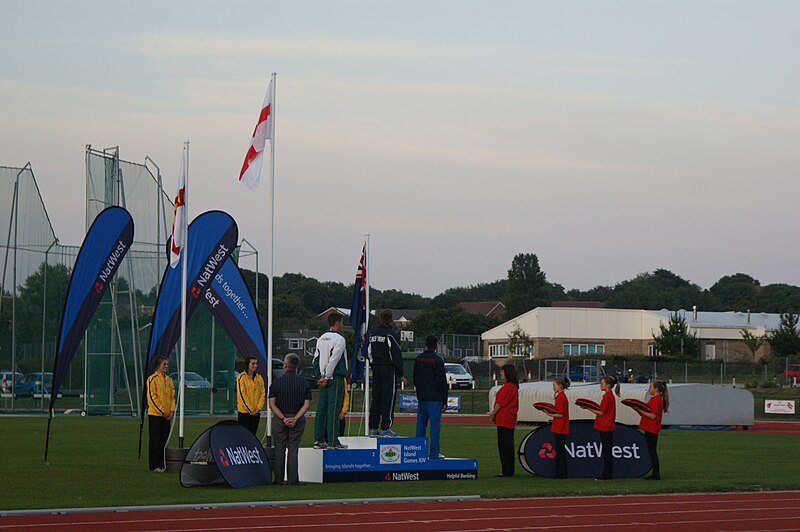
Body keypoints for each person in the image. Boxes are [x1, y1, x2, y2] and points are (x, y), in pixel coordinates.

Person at [268, 353, 312, 485]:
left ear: (285, 366)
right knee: (293, 449)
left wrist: (283, 418)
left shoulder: (276, 383)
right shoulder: (303, 382)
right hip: (297, 419)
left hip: (279, 419)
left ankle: (278, 479)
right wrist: (295, 418)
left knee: (279, 449)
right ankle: (293, 480)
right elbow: (307, 404)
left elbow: (272, 404)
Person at [368, 309, 408, 437]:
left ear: (380, 319)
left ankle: (373, 427)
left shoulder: (372, 335)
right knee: (388, 398)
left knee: (376, 398)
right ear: (391, 319)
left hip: (375, 368)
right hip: (388, 369)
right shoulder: (390, 335)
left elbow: (368, 352)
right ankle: (386, 428)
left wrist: (373, 364)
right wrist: (400, 373)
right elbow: (395, 354)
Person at [313, 312, 348, 449]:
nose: (343, 325)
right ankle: (333, 441)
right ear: (337, 323)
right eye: (342, 322)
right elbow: (334, 359)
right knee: (333, 410)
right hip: (335, 378)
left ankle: (319, 440)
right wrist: (327, 376)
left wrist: (320, 377)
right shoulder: (339, 340)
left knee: (321, 409)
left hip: (323, 380)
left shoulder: (321, 338)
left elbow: (316, 359)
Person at [414, 335, 448, 459]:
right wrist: (444, 399)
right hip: (435, 398)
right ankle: (434, 453)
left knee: (420, 426)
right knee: (435, 427)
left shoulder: (418, 359)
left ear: (426, 344)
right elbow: (442, 381)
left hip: (422, 397)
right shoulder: (438, 360)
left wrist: (419, 392)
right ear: (436, 346)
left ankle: (418, 451)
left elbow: (415, 378)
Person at [586, 375, 621, 480]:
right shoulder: (609, 396)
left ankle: (607, 474)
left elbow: (601, 412)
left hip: (605, 426)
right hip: (607, 425)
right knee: (606, 450)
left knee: (606, 451)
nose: (600, 385)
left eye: (602, 384)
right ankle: (607, 473)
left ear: (608, 385)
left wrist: (588, 408)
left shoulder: (608, 396)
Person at [490, 364, 519, 477]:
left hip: (504, 418)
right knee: (508, 444)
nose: (501, 373)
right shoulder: (513, 387)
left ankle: (506, 470)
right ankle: (508, 469)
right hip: (509, 418)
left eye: (502, 372)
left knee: (504, 445)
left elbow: (500, 403)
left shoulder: (508, 387)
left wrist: (493, 414)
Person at [147, 356, 175, 472]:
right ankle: (154, 465)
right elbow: (152, 398)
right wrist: (162, 411)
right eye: (164, 364)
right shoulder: (152, 379)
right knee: (155, 440)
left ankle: (163, 463)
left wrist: (172, 411)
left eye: (167, 364)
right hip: (155, 415)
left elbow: (172, 397)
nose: (166, 366)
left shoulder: (169, 380)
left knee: (164, 439)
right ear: (158, 365)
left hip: (167, 416)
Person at [637, 379, 669, 480]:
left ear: (656, 389)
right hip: (650, 427)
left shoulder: (656, 400)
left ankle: (656, 474)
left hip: (652, 428)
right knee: (651, 450)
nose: (649, 389)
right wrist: (638, 409)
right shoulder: (654, 399)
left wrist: (639, 410)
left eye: (650, 387)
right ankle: (655, 473)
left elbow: (652, 416)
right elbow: (646, 412)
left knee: (652, 451)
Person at [544, 376, 570, 479]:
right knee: (560, 450)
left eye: (554, 385)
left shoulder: (560, 397)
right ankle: (561, 472)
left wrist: (548, 413)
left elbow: (560, 414)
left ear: (560, 386)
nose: (553, 387)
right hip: (560, 426)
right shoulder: (562, 396)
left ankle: (561, 473)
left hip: (560, 427)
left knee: (560, 451)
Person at [236, 356, 265, 435]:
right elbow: (242, 395)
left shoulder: (259, 378)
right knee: (244, 435)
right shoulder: (241, 378)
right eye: (253, 363)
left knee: (253, 435)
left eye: (256, 363)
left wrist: (258, 409)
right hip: (244, 413)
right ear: (247, 364)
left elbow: (262, 394)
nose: (255, 365)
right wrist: (251, 409)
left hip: (256, 413)